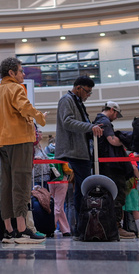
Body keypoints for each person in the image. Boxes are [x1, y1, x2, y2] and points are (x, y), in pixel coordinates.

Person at [0, 57, 47, 244]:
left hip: (3, 141)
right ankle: (23, 231)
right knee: (22, 183)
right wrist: (40, 117)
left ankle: (9, 231)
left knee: (6, 185)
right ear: (12, 73)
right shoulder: (16, 88)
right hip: (20, 139)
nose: (23, 74)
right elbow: (24, 107)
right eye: (21, 71)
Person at [54, 76, 103, 232]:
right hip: (73, 152)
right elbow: (67, 122)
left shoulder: (77, 102)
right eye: (87, 92)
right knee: (81, 192)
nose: (88, 95)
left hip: (80, 152)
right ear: (78, 88)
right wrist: (90, 127)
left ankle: (82, 227)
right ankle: (81, 227)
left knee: (82, 191)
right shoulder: (66, 100)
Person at [94, 101, 134, 237]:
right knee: (117, 195)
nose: (116, 117)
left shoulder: (97, 120)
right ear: (112, 110)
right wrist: (126, 139)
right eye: (116, 114)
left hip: (104, 164)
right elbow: (112, 140)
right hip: (111, 166)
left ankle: (109, 226)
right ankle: (116, 227)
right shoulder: (104, 121)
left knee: (107, 195)